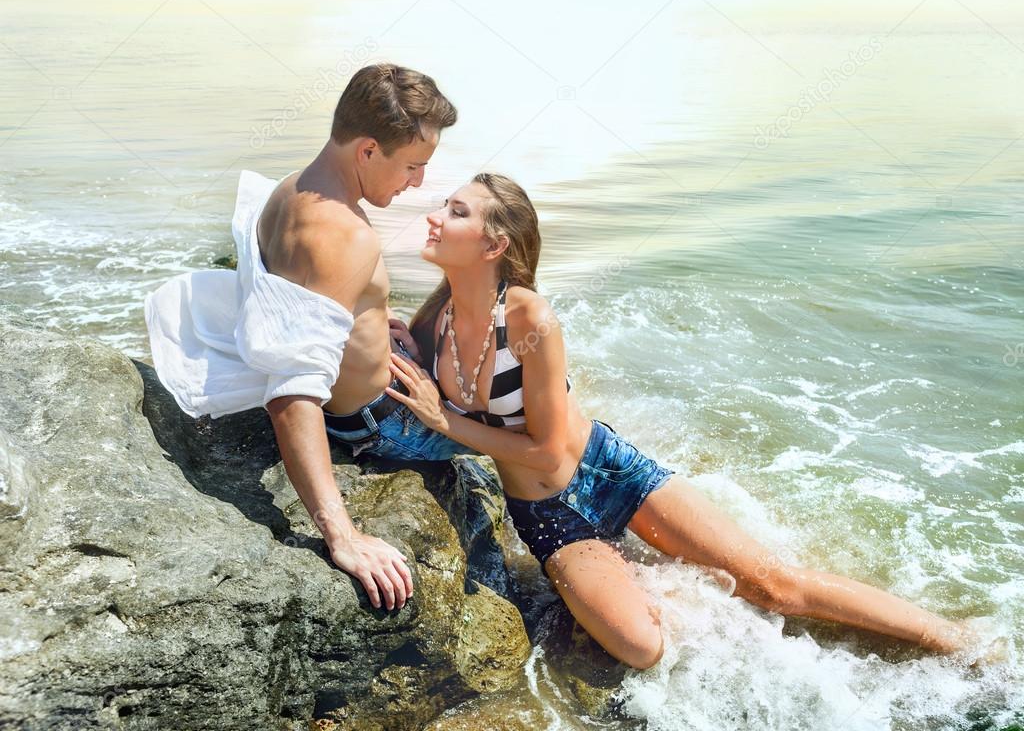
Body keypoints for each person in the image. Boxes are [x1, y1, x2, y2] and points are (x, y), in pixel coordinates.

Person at [381, 173, 976, 669]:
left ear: (493, 246)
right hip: (549, 518)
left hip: (610, 471)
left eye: (455, 210)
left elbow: (542, 447)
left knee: (774, 587)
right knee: (640, 647)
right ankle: (669, 581)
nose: (434, 216)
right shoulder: (432, 323)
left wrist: (444, 420)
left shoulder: (530, 316)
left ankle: (955, 638)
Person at [146, 64, 475, 615]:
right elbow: (292, 395)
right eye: (414, 166)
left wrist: (369, 321)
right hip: (377, 423)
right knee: (542, 436)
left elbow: (303, 301)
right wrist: (341, 535)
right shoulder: (342, 237)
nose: (419, 182)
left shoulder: (293, 188)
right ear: (368, 150)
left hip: (375, 385)